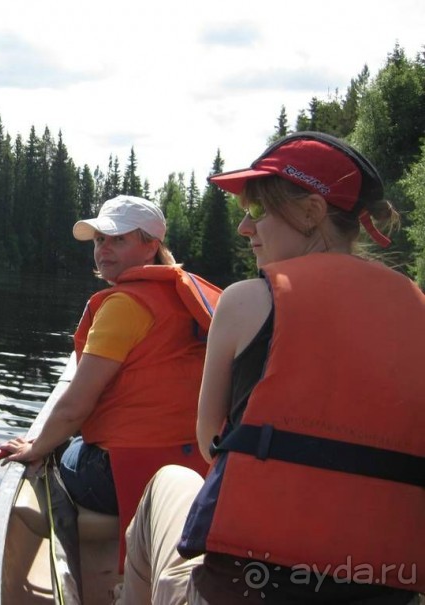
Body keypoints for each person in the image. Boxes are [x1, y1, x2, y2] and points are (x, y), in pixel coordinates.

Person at [118, 131, 425, 605]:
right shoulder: (416, 312)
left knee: (167, 483)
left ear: (311, 212)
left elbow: (210, 442)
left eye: (258, 209)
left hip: (242, 590)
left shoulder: (245, 301)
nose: (245, 227)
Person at [1, 194, 220, 566]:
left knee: (57, 456)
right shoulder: (189, 295)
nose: (103, 249)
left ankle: (73, 564)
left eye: (118, 239)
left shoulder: (124, 305)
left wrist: (37, 450)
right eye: (100, 240)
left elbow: (75, 406)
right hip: (196, 466)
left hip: (126, 472)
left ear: (151, 244)